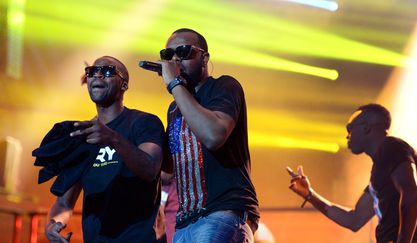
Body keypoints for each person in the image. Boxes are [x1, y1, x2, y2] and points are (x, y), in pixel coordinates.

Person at [43, 56, 165, 242]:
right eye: (92, 72)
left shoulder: (144, 123)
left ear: (124, 85)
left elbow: (150, 169)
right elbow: (64, 202)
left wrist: (112, 138)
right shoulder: (82, 135)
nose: (97, 75)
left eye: (107, 71)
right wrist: (53, 224)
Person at [158, 28, 260, 242]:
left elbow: (214, 135)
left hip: (222, 212)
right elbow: (169, 169)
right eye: (168, 55)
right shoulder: (174, 108)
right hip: (184, 223)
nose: (175, 59)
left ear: (204, 58)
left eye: (184, 52)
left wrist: (174, 84)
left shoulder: (224, 86)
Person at [287, 103, 417, 243]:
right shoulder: (380, 170)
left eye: (350, 129)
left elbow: (412, 194)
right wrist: (309, 194)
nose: (347, 136)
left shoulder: (391, 147)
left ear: (366, 127)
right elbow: (354, 219)